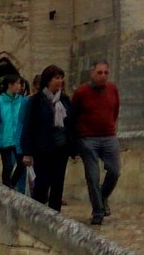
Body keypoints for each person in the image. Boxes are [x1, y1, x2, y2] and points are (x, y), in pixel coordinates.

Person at [69, 61, 121, 226]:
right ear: (92, 73)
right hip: (88, 139)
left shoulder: (113, 89)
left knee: (114, 171)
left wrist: (112, 128)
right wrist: (76, 141)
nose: (103, 76)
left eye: (106, 72)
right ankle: (98, 211)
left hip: (109, 137)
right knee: (93, 177)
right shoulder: (81, 92)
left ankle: (103, 197)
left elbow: (115, 110)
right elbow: (73, 115)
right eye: (99, 72)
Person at [18, 65, 71, 212]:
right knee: (42, 184)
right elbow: (28, 126)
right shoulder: (36, 101)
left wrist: (73, 147)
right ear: (48, 80)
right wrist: (27, 152)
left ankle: (55, 218)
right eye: (56, 78)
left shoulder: (65, 100)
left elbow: (70, 124)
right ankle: (38, 216)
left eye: (61, 78)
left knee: (58, 184)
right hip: (43, 150)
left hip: (61, 149)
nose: (59, 81)